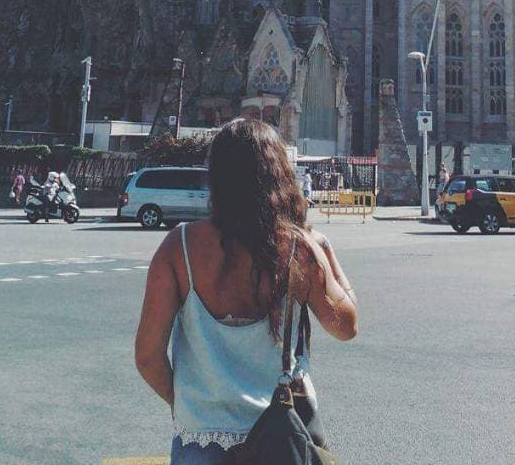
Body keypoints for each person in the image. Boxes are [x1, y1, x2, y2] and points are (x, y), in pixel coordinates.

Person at [135, 119, 358, 463]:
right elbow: (346, 327)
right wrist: (325, 252)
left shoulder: (179, 247)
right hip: (281, 438)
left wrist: (187, 403)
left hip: (201, 438)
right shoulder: (299, 249)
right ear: (279, 173)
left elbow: (148, 357)